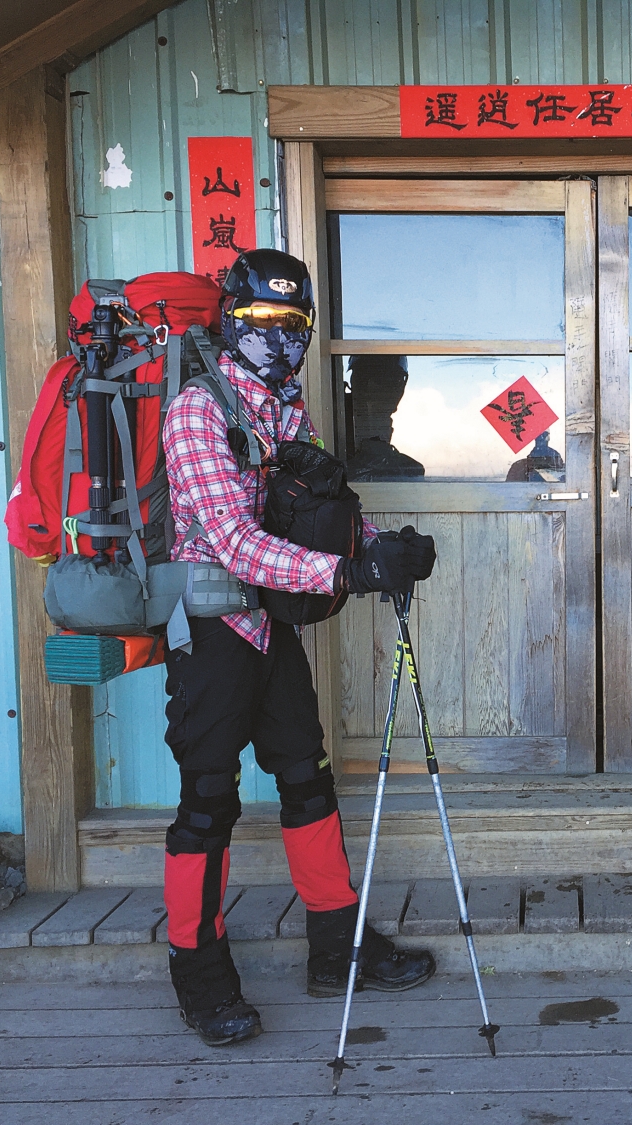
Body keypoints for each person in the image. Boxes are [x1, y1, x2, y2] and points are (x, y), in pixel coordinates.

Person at [160, 248, 436, 1046]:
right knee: (207, 801)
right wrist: (351, 570)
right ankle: (199, 976)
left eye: (295, 325)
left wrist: (381, 547)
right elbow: (238, 543)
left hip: (271, 624)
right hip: (212, 627)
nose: (280, 341)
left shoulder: (287, 411)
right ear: (230, 322)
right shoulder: (197, 411)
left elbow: (317, 513)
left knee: (307, 779)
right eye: (261, 323)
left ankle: (336, 949)